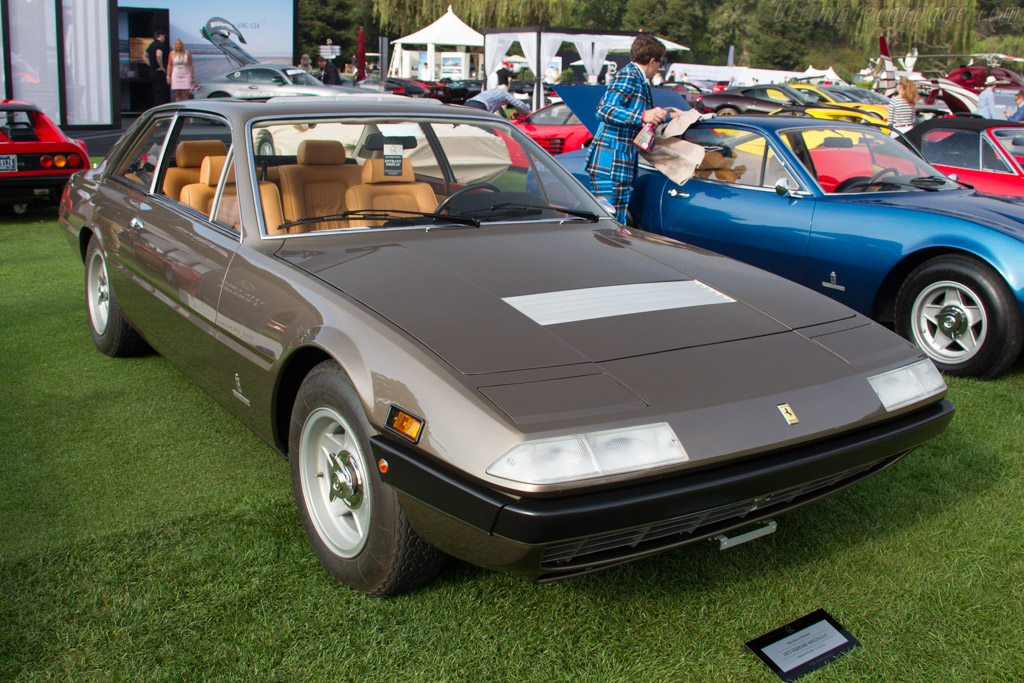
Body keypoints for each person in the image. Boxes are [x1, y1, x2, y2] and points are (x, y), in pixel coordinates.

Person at [585, 33, 667, 224]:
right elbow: (604, 109)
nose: (658, 69)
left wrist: (669, 115)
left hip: (619, 163)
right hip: (609, 164)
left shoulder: (637, 78)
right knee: (607, 224)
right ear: (653, 61)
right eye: (659, 63)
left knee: (616, 223)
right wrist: (642, 115)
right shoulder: (628, 76)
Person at [464, 88, 530, 116]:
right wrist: (529, 111)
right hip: (480, 106)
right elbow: (519, 104)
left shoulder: (494, 91)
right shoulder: (505, 94)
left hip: (468, 103)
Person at [146, 29, 169, 107]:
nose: (164, 39)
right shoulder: (160, 45)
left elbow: (144, 55)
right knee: (161, 94)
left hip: (152, 72)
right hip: (159, 73)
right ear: (161, 35)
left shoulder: (152, 44)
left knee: (156, 93)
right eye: (164, 37)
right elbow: (158, 55)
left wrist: (151, 64)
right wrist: (162, 67)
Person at [167, 38, 194, 103]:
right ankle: (178, 108)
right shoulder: (172, 54)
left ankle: (188, 108)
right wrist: (168, 76)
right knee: (178, 94)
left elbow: (191, 65)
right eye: (176, 44)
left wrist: (192, 77)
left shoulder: (187, 54)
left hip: (186, 75)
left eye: (179, 44)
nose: (177, 45)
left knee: (187, 94)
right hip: (176, 76)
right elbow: (169, 65)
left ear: (182, 45)